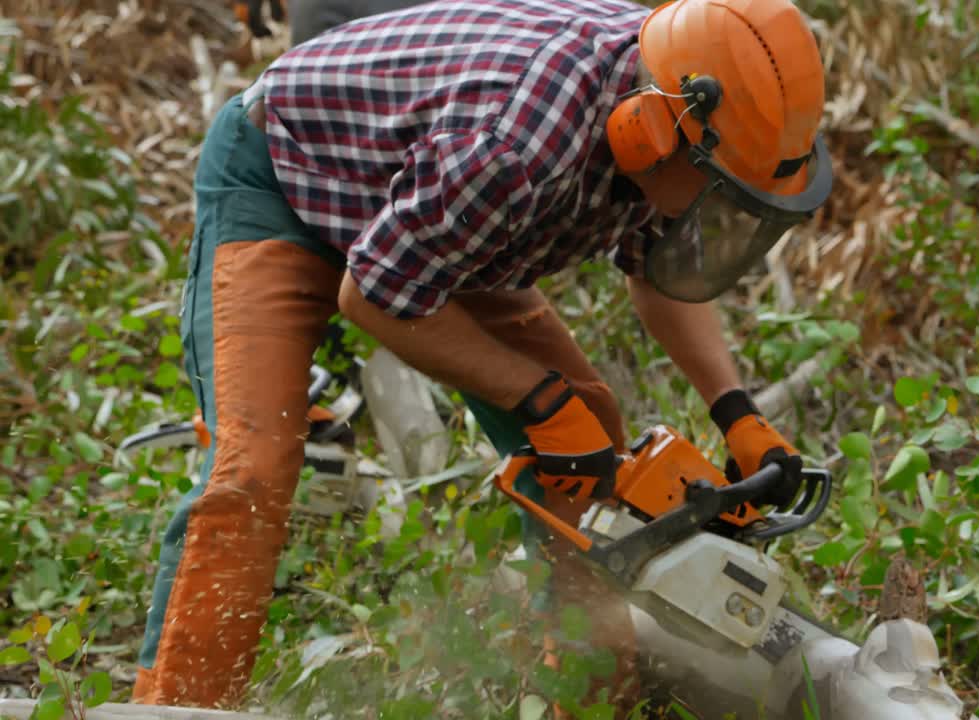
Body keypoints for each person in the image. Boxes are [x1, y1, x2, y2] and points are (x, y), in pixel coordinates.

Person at [131, 0, 832, 708]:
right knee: (253, 466)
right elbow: (373, 294)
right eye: (718, 187)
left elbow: (660, 274)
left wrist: (735, 412)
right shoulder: (515, 147)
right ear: (649, 132)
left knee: (586, 424)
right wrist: (537, 400)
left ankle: (587, 696)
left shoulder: (680, 90)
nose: (717, 208)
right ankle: (177, 703)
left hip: (435, 218)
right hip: (284, 173)